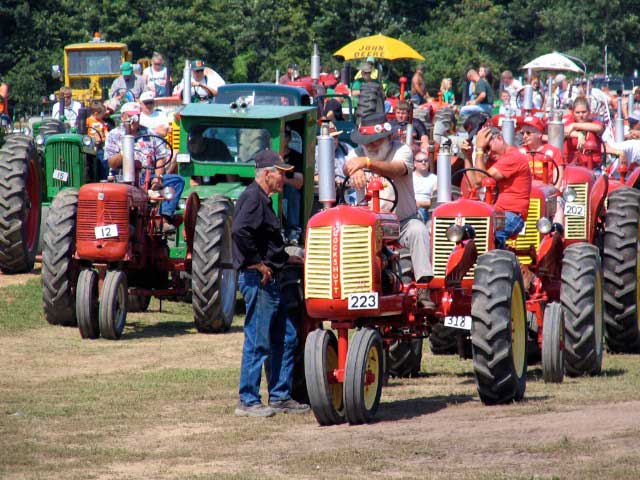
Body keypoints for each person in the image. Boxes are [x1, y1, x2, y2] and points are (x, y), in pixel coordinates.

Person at [232, 149, 309, 418]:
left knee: (286, 338)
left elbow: (264, 240)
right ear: (267, 174)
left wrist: (287, 258)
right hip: (259, 280)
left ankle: (280, 396)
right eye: (281, 174)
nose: (284, 179)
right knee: (258, 340)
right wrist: (256, 263)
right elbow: (239, 231)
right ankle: (248, 400)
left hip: (272, 279)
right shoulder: (253, 198)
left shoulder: (261, 199)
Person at [344, 113, 434, 307]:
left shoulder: (402, 151)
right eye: (367, 142)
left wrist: (367, 164)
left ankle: (423, 288)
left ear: (388, 138)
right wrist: (354, 170)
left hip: (401, 222)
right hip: (367, 226)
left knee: (418, 230)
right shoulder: (356, 154)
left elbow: (396, 169)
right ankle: (351, 288)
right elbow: (347, 166)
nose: (371, 145)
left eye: (376, 141)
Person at [104, 102, 184, 233]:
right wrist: (126, 151)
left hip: (148, 176)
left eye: (137, 116)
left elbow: (160, 158)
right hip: (122, 178)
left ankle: (163, 219)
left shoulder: (149, 133)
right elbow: (112, 162)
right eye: (131, 116)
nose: (135, 120)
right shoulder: (114, 134)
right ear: (123, 116)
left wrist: (158, 178)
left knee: (176, 180)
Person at [462, 122, 532, 248]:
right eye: (485, 149)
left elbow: (480, 179)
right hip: (493, 212)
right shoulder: (493, 159)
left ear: (499, 138)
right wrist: (467, 157)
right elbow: (473, 185)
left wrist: (479, 150)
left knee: (491, 231)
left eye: (488, 147)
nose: (487, 153)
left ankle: (496, 261)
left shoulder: (513, 157)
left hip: (511, 215)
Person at [518, 116, 564, 189]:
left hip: (546, 191)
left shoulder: (554, 151)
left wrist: (555, 194)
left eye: (528, 133)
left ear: (539, 134)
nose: (524, 136)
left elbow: (558, 177)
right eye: (522, 133)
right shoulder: (519, 152)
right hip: (524, 191)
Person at [564, 96, 604, 166]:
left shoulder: (595, 123)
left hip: (593, 166)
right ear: (573, 112)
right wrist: (579, 135)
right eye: (577, 112)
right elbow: (564, 131)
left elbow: (599, 128)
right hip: (572, 166)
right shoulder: (569, 122)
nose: (581, 115)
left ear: (589, 112)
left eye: (584, 112)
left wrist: (575, 126)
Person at [282, 125, 304, 244]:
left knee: (292, 191)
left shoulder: (296, 157)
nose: (282, 138)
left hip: (287, 190)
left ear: (289, 138)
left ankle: (293, 231)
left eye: (285, 135)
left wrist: (283, 179)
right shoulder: (269, 156)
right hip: (271, 190)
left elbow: (299, 182)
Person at [86, 101, 109, 179]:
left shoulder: (101, 121)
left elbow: (105, 131)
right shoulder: (88, 121)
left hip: (100, 144)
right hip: (91, 144)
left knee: (102, 160)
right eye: (101, 114)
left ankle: (103, 178)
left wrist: (106, 137)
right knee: (90, 162)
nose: (103, 116)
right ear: (96, 113)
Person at [413, 151, 437, 223]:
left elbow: (435, 202)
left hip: (426, 210)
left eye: (426, 160)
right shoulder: (408, 178)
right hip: (409, 209)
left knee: (421, 212)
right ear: (415, 164)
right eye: (420, 161)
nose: (423, 162)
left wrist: (420, 204)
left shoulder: (435, 179)